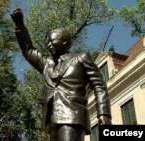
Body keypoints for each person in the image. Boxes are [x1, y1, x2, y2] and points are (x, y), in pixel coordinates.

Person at [11, 8, 112, 141]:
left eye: (52, 41)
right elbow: (28, 50)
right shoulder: (47, 63)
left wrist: (104, 114)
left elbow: (99, 85)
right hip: (53, 120)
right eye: (47, 42)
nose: (48, 44)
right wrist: (20, 25)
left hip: (73, 117)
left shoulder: (81, 58)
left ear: (64, 41)